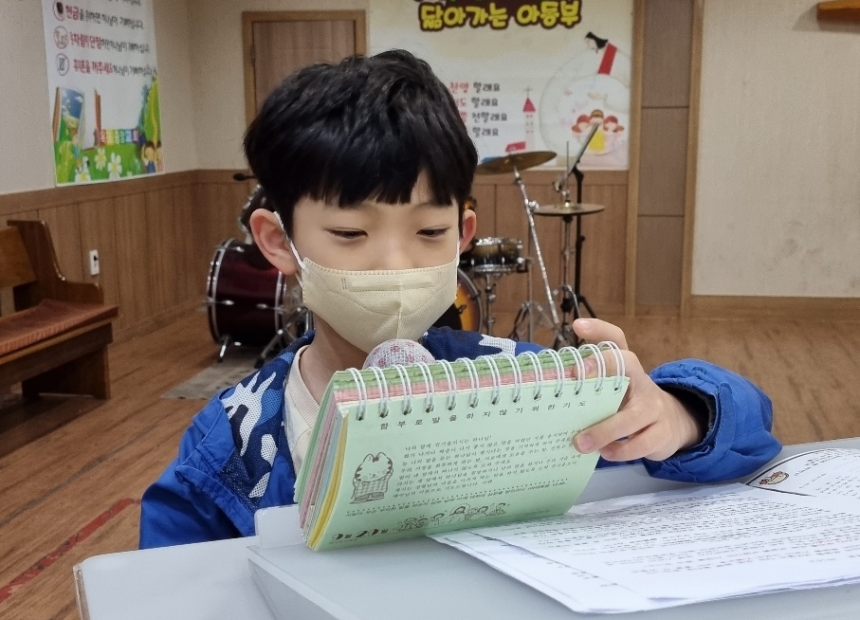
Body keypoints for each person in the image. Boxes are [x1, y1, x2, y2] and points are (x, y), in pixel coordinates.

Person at [139, 51, 780, 547]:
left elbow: (751, 431)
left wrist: (681, 414)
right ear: (280, 242)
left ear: (463, 235)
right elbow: (173, 598)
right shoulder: (233, 440)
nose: (396, 264)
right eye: (351, 233)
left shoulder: (514, 383)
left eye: (429, 232)